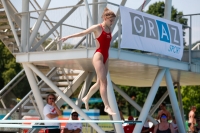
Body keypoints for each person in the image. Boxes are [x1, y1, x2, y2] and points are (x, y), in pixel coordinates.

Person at [60, 7, 116, 115]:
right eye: (111, 20)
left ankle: (86, 97)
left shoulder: (109, 29)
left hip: (106, 57)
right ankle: (107, 106)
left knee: (100, 82)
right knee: (105, 82)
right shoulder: (97, 28)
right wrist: (68, 37)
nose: (112, 22)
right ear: (105, 18)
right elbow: (83, 33)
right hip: (98, 56)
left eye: (113, 20)